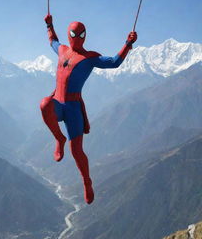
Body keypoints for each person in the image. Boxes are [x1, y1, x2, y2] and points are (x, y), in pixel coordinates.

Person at [40, 14, 137, 204]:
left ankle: (87, 181)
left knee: (76, 150)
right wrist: (49, 25)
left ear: (85, 35)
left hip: (73, 107)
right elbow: (52, 40)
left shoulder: (89, 57)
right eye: (74, 33)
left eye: (80, 33)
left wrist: (127, 44)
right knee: (44, 104)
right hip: (58, 103)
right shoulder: (62, 51)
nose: (77, 37)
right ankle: (59, 138)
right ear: (70, 34)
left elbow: (114, 62)